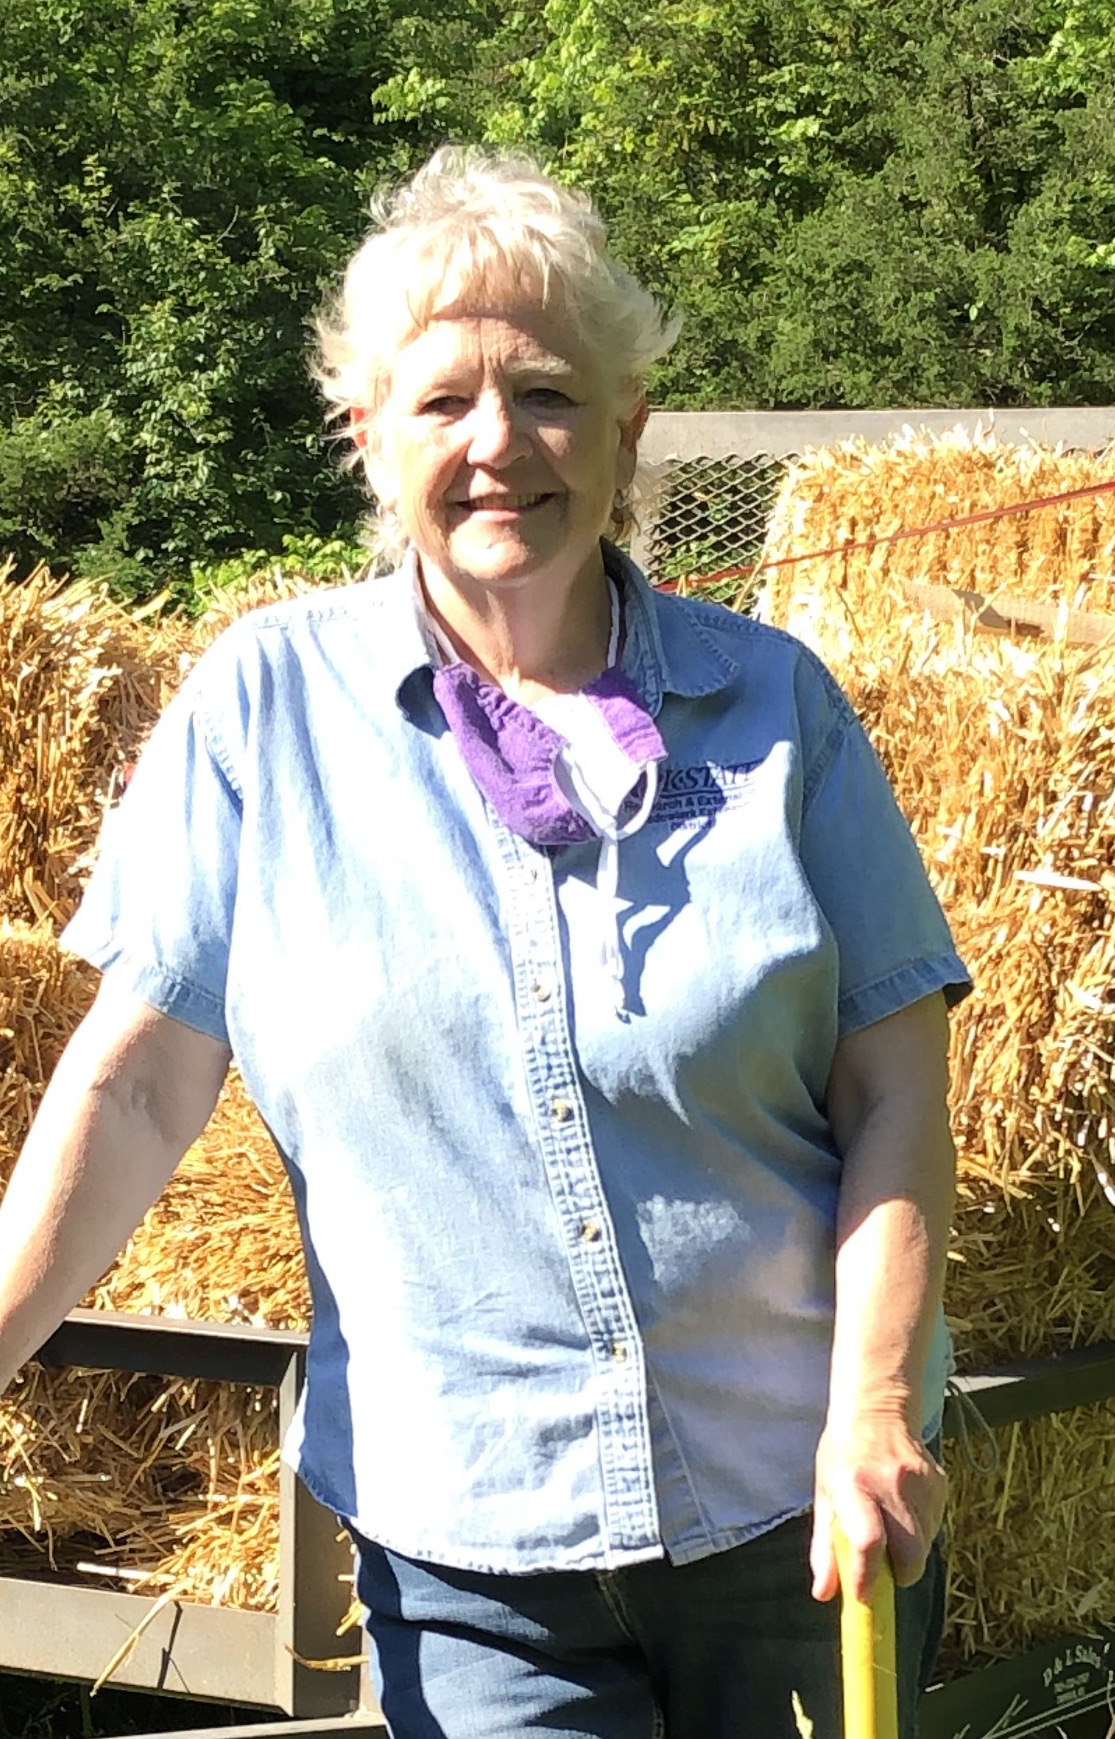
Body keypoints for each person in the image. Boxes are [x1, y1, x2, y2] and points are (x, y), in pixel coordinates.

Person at [0, 147, 970, 1738]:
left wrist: (872, 1409)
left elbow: (896, 1095)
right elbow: (135, 1086)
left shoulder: (779, 708)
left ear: (631, 426)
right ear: (367, 434)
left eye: (548, 395)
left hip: (798, 1522)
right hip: (468, 1555)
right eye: (442, 401)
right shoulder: (263, 711)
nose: (497, 443)